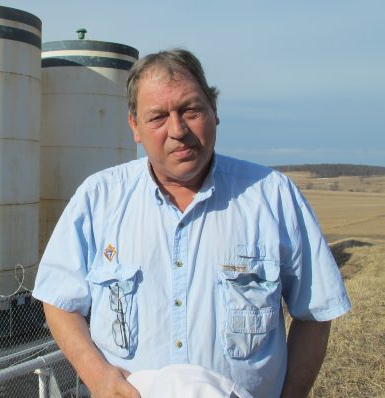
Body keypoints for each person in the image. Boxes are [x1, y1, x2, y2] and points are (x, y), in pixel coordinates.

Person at [32, 48, 351, 398]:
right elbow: (60, 302)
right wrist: (100, 378)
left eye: (191, 110)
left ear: (214, 110)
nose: (178, 129)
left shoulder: (272, 197)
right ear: (135, 127)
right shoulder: (99, 199)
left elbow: (315, 312)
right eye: (157, 117)